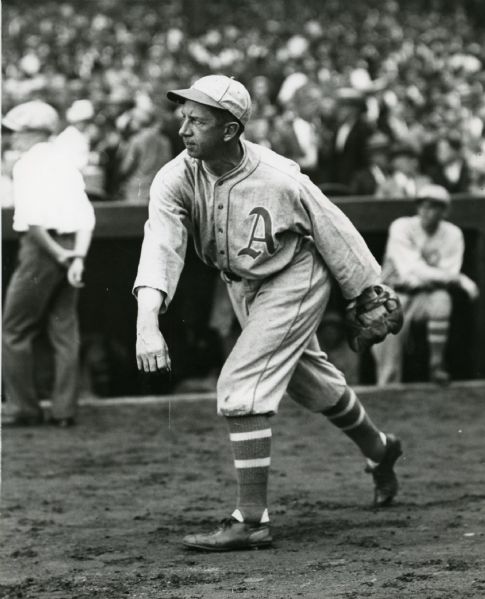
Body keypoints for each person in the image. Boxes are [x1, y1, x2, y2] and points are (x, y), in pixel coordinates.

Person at [133, 75, 403, 552]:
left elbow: (333, 229)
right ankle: (381, 450)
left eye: (198, 120)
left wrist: (367, 290)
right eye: (184, 117)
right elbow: (161, 247)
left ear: (231, 130)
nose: (184, 129)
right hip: (243, 284)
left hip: (295, 275)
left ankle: (251, 519)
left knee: (241, 383)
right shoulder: (175, 176)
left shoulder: (279, 175)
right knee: (314, 384)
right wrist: (147, 322)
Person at [2, 100, 96, 427]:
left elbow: (32, 222)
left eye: (16, 132)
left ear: (33, 133)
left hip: (43, 250)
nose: (11, 138)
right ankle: (64, 411)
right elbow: (86, 216)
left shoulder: (26, 165)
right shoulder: (65, 160)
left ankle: (23, 408)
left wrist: (58, 254)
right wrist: (77, 257)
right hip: (71, 244)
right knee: (64, 331)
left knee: (13, 329)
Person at [372, 184, 479, 386]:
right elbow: (409, 269)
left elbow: (449, 272)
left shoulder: (453, 233)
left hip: (427, 294)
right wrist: (458, 279)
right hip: (395, 293)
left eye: (434, 206)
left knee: (442, 299)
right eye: (422, 205)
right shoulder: (401, 226)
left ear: (444, 211)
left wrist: (448, 277)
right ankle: (386, 391)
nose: (426, 210)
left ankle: (436, 364)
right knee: (387, 354)